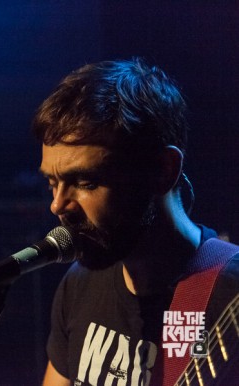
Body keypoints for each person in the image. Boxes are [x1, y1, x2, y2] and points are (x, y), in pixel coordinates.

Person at [33, 59, 239, 385]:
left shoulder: (229, 295)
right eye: (52, 184)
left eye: (86, 182)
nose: (58, 205)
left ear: (164, 170)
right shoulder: (80, 284)